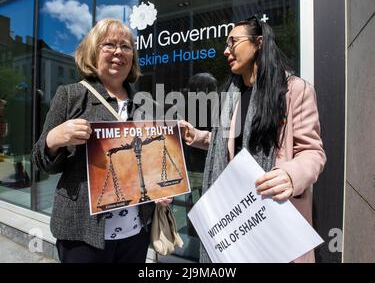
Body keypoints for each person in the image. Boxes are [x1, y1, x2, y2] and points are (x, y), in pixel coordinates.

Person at [180, 15, 326, 263]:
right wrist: (197, 136)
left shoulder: (294, 90)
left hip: (272, 217)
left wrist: (291, 175)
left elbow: (312, 152)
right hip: (233, 220)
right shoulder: (230, 95)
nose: (226, 51)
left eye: (232, 42)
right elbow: (228, 143)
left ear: (258, 42)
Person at [32, 18, 171, 263]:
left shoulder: (147, 106)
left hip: (134, 233)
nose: (118, 51)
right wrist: (54, 140)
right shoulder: (71, 96)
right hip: (82, 234)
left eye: (126, 46)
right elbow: (41, 163)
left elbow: (154, 163)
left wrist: (162, 189)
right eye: (109, 44)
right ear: (94, 51)